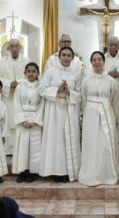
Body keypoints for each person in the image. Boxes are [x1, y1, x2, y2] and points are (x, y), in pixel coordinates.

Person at [39, 47, 81, 183]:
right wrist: (57, 90)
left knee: (67, 140)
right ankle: (55, 171)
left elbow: (80, 95)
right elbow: (42, 90)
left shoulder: (76, 74)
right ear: (59, 57)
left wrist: (69, 92)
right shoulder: (50, 71)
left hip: (69, 110)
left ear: (72, 58)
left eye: (69, 55)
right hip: (53, 110)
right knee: (55, 140)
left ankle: (68, 171)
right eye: (63, 55)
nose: (66, 57)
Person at [79, 51, 119, 186]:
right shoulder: (86, 80)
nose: (97, 62)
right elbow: (83, 99)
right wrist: (89, 111)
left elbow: (114, 100)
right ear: (91, 62)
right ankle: (90, 174)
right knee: (91, 143)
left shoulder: (111, 81)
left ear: (104, 62)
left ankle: (107, 175)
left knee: (105, 144)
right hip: (90, 114)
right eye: (94, 60)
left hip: (107, 113)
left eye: (99, 59)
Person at [12, 63, 44, 183]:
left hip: (35, 120)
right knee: (23, 146)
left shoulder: (41, 87)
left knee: (35, 148)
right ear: (25, 73)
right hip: (23, 120)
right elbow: (16, 103)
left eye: (34, 71)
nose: (31, 73)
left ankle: (33, 172)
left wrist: (36, 120)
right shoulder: (20, 87)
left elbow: (42, 104)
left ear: (37, 73)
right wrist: (22, 120)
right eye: (29, 71)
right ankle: (22, 171)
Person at [0, 39, 30, 155]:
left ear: (20, 47)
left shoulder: (27, 61)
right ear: (8, 48)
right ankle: (8, 148)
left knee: (20, 119)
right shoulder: (2, 62)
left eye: (16, 46)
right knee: (8, 120)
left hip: (22, 96)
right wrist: (9, 84)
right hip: (9, 96)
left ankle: (20, 148)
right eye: (12, 46)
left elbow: (30, 76)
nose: (14, 49)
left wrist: (18, 83)